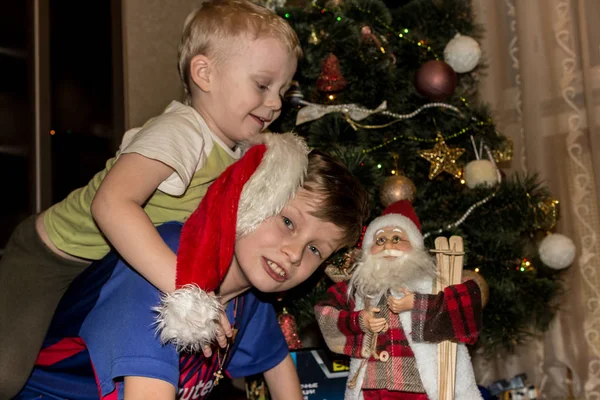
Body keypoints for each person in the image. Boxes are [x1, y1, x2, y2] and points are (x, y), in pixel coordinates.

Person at [0, 0, 302, 396]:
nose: (276, 102)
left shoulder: (242, 154)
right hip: (51, 257)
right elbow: (111, 205)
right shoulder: (181, 132)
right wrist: (189, 291)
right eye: (263, 85)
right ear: (204, 73)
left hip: (105, 268)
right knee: (6, 374)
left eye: (283, 90)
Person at [16, 141, 371, 400]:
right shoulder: (163, 263)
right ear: (253, 198)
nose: (294, 255)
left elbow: (280, 370)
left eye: (314, 250)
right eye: (289, 222)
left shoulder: (251, 298)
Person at [315, 200, 484, 400]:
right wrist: (360, 320)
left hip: (421, 389)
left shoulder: (432, 282)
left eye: (397, 238)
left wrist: (418, 304)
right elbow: (325, 313)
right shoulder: (359, 289)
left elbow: (466, 309)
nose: (387, 244)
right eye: (379, 240)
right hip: (371, 388)